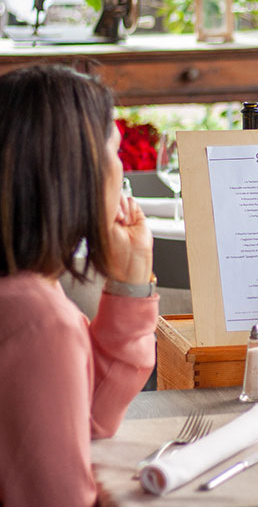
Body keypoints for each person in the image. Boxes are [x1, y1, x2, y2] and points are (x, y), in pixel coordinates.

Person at [0, 64, 159, 506]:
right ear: (76, 172)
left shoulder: (25, 290)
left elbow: (85, 419)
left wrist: (130, 282)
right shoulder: (38, 318)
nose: (122, 168)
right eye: (116, 149)